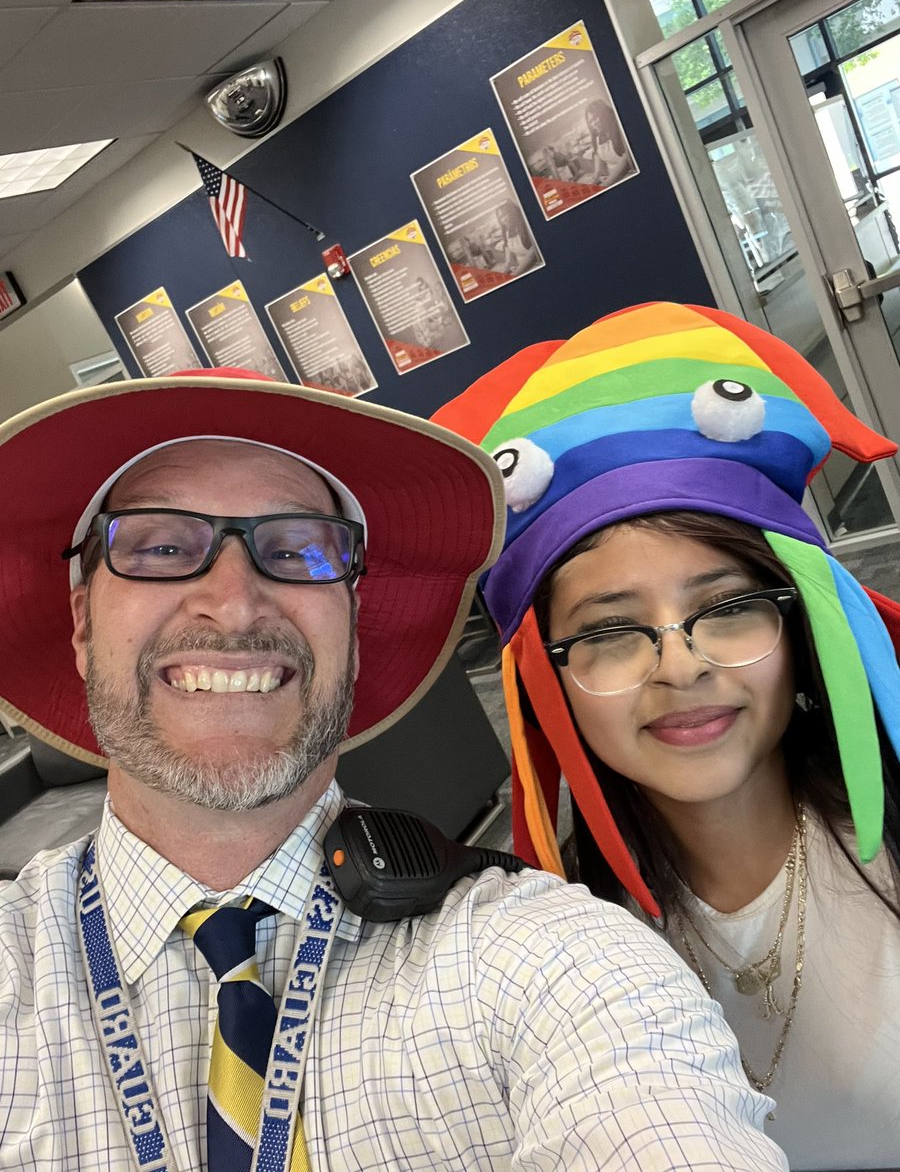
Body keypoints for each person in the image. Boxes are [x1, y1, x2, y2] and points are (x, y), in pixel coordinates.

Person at [0, 366, 788, 1171]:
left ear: (354, 624)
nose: (233, 605)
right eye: (162, 547)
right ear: (82, 621)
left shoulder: (540, 955)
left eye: (299, 549)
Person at [432, 300, 900, 1171]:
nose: (679, 668)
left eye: (725, 610)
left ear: (799, 627)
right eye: (609, 634)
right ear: (548, 685)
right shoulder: (546, 955)